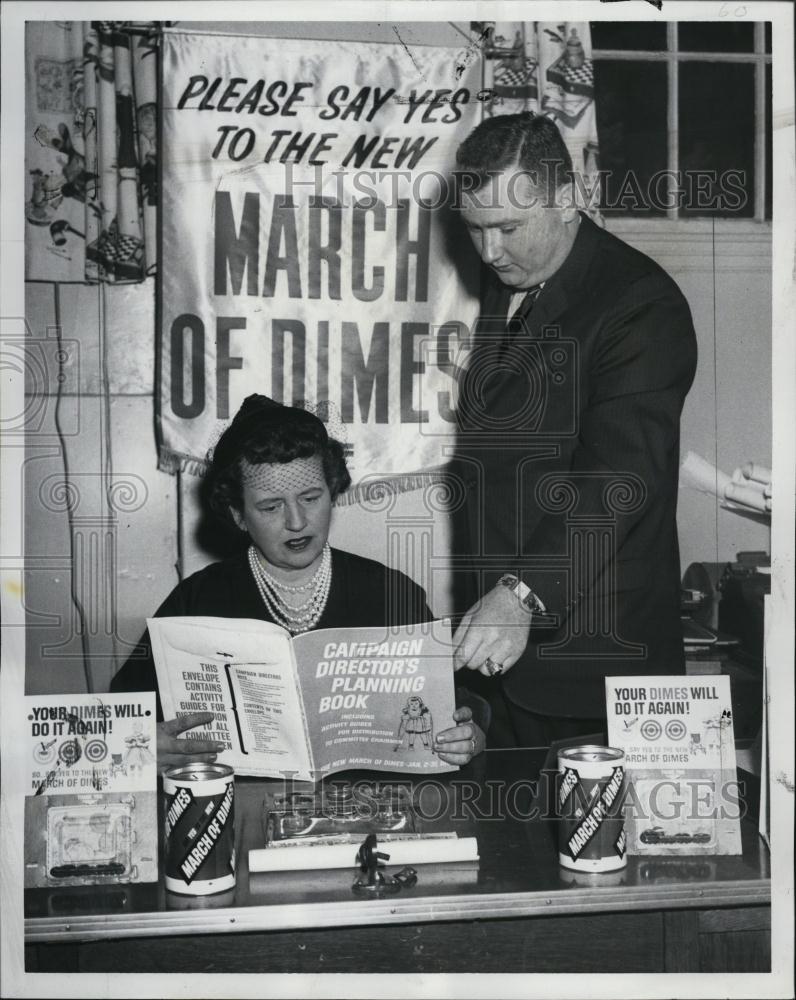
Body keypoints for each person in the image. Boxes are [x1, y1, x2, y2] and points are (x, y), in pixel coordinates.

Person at [450, 112, 698, 747]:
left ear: (566, 199)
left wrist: (521, 595)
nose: (489, 251)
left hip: (593, 669)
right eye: (475, 229)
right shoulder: (510, 281)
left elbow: (616, 479)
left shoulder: (640, 303)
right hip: (501, 659)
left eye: (507, 227)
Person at [111, 395, 485, 768]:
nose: (296, 521)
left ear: (332, 491)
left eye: (310, 497)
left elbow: (460, 711)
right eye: (271, 506)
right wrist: (143, 744)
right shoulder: (197, 600)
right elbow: (122, 716)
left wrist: (467, 738)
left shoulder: (390, 592)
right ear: (238, 514)